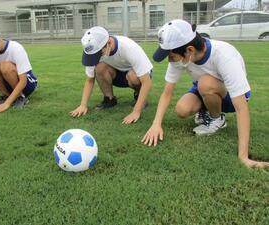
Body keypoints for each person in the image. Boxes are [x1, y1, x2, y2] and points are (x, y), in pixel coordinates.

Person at [142, 19, 269, 168]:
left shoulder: (224, 55)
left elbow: (241, 107)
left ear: (189, 50)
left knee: (205, 84)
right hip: (205, 88)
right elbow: (167, 92)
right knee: (182, 109)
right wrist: (156, 124)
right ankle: (207, 111)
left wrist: (243, 157)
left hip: (230, 95)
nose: (170, 61)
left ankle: (217, 119)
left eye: (171, 56)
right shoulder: (181, 57)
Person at [70, 26, 153, 124]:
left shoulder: (129, 47)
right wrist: (83, 105)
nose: (97, 57)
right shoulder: (93, 50)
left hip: (138, 75)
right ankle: (109, 99)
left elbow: (146, 81)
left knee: (132, 76)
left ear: (108, 43)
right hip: (117, 73)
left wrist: (136, 112)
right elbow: (89, 80)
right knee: (99, 67)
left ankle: (139, 97)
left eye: (99, 53)